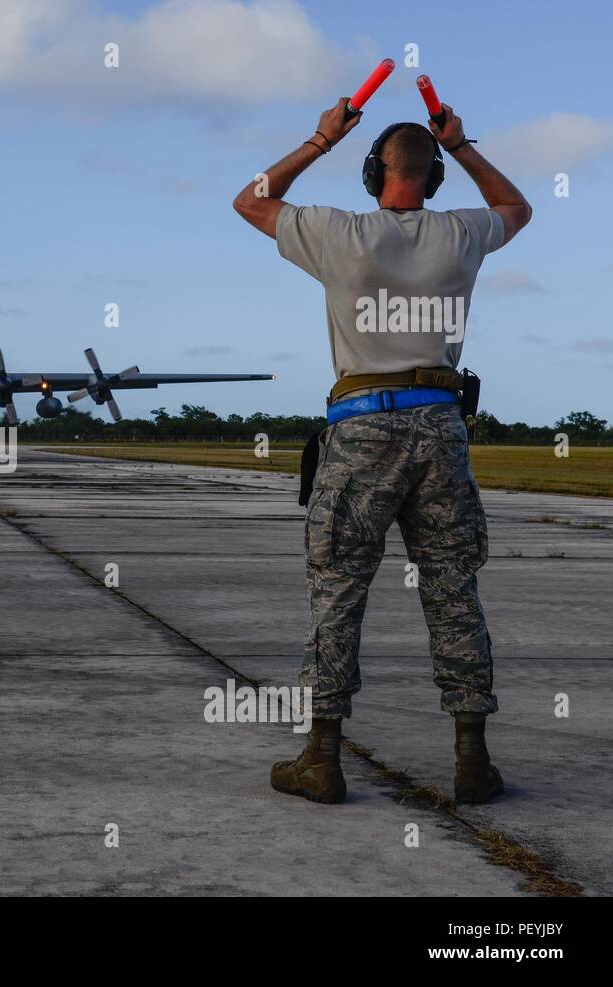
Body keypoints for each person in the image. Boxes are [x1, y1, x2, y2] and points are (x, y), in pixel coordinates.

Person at [231, 97, 532, 804]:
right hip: (441, 427)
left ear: (374, 173)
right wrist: (459, 146)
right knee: (453, 589)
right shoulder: (461, 232)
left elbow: (251, 201)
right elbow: (517, 207)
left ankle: (323, 756)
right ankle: (470, 760)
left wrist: (318, 140)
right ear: (432, 182)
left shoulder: (341, 233)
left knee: (338, 588)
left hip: (362, 425)